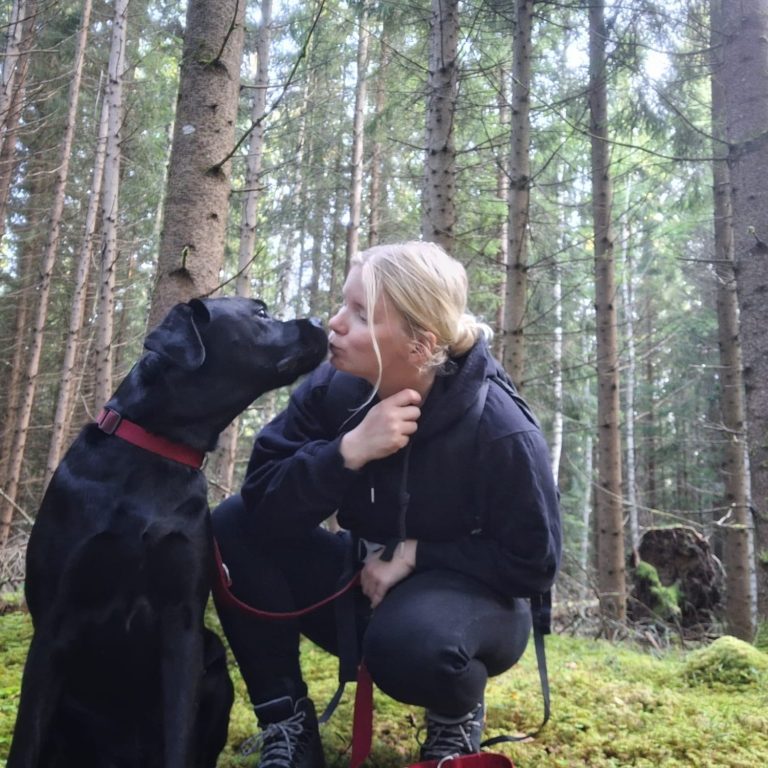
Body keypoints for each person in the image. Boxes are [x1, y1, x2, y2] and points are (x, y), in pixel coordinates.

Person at [211, 241, 561, 768]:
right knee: (232, 526)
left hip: (474, 608)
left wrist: (416, 553)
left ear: (420, 344)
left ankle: (453, 719)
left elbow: (534, 564)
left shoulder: (500, 430)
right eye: (343, 304)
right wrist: (346, 453)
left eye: (360, 314)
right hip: (363, 579)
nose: (335, 323)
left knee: (411, 645)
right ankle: (287, 724)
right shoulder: (334, 387)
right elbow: (261, 498)